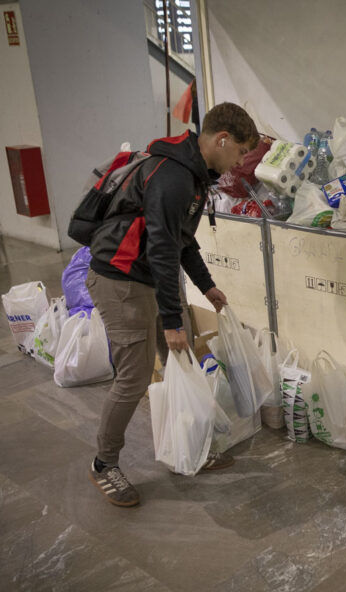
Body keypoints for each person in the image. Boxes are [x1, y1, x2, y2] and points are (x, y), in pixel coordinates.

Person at [85, 102, 259, 507]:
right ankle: (103, 463)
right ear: (222, 139)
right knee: (134, 376)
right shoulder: (175, 177)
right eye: (238, 153)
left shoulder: (193, 175)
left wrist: (206, 285)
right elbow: (163, 248)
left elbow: (182, 239)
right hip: (120, 279)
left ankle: (190, 447)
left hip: (151, 277)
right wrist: (171, 321)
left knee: (182, 362)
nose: (237, 164)